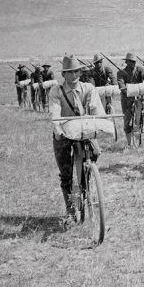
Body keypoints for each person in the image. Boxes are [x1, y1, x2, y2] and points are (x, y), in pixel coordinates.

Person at [49, 55, 104, 222]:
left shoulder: (88, 88)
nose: (74, 76)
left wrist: (98, 121)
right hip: (64, 132)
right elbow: (54, 112)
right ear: (63, 75)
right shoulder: (56, 91)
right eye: (70, 72)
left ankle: (86, 184)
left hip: (83, 130)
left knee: (94, 154)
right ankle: (70, 209)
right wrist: (58, 128)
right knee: (65, 172)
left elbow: (95, 108)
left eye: (76, 72)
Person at [116, 52, 144, 146]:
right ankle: (129, 143)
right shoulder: (121, 73)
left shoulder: (140, 70)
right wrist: (125, 89)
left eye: (134, 62)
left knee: (143, 109)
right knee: (127, 118)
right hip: (126, 98)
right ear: (126, 62)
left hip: (139, 95)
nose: (133, 63)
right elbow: (121, 85)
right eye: (130, 62)